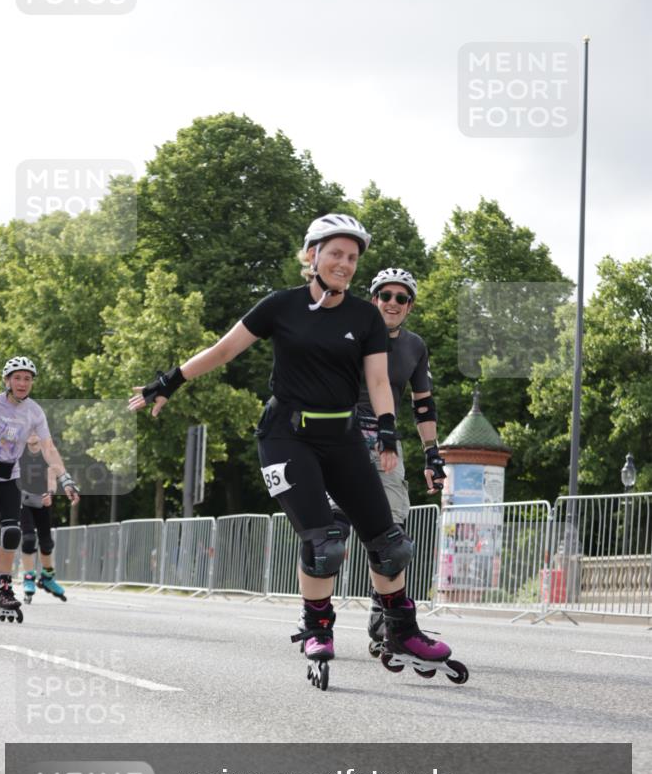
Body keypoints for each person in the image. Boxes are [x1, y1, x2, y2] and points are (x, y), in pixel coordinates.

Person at [129, 213, 453, 690]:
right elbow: (223, 350)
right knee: (325, 545)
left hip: (342, 438)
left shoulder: (365, 316)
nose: (344, 263)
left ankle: (402, 631)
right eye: (335, 253)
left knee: (390, 544)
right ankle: (318, 629)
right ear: (312, 255)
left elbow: (380, 381)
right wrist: (169, 382)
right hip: (286, 435)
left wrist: (387, 433)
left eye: (352, 257)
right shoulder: (281, 306)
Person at [357, 267, 446, 655]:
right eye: (386, 295)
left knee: (393, 541)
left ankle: (388, 621)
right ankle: (315, 620)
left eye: (401, 298)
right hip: (339, 437)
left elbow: (423, 405)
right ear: (374, 298)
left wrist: (432, 454)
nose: (392, 303)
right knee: (328, 539)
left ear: (409, 305)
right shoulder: (352, 332)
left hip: (386, 443)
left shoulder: (414, 346)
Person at [0, 357, 80, 623]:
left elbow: (49, 449)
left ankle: (3, 589)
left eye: (27, 379)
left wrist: (66, 479)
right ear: (7, 380)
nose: (22, 383)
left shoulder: (35, 412)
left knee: (12, 533)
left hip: (9, 475)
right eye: (17, 378)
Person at [19, 433, 79, 603]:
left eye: (34, 430)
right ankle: (28, 578)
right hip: (22, 500)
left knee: (46, 542)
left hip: (42, 500)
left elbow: (52, 479)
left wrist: (50, 493)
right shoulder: (18, 450)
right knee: (29, 538)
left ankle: (47, 577)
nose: (31, 434)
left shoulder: (47, 452)